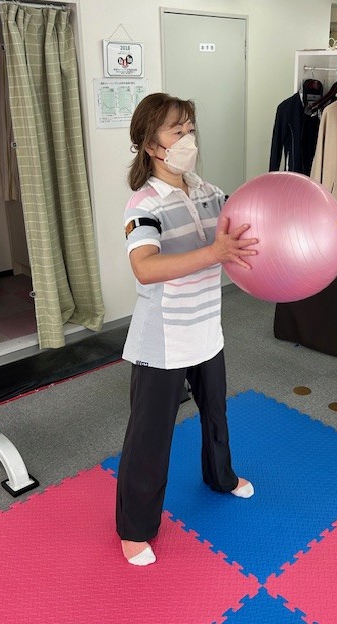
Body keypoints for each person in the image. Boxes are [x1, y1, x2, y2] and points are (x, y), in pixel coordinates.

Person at [116, 93, 258, 566]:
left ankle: (221, 478)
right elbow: (145, 267)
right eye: (176, 131)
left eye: (190, 128)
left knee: (216, 413)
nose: (187, 138)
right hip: (164, 337)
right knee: (150, 437)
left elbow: (246, 227)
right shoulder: (143, 203)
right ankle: (135, 529)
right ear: (150, 145)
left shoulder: (208, 191)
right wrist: (214, 253)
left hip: (206, 328)